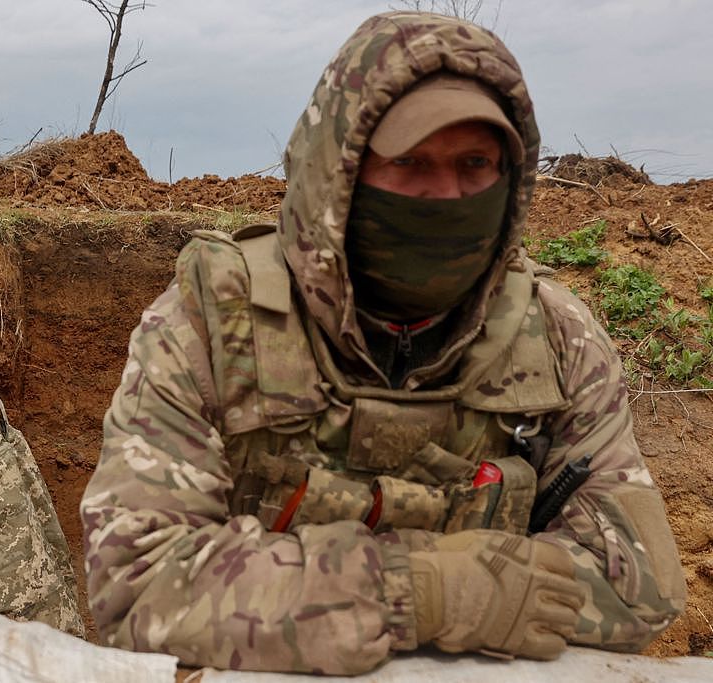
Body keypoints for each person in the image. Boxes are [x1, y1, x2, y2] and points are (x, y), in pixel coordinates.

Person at [80, 10, 686, 675]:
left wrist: (288, 588)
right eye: (410, 162)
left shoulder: (557, 338)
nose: (446, 194)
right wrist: (417, 590)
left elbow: (641, 583)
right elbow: (135, 583)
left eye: (475, 164)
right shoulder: (211, 326)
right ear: (339, 174)